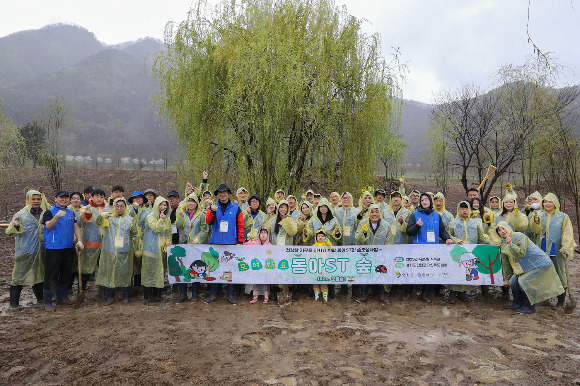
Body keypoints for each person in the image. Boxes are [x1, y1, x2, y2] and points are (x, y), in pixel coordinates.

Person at [496, 221, 564, 314]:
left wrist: (511, 244)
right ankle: (517, 303)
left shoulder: (519, 236)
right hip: (526, 266)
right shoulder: (503, 244)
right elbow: (506, 263)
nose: (502, 231)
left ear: (508, 228)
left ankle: (529, 307)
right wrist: (506, 279)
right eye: (499, 230)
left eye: (503, 228)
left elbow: (520, 253)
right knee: (513, 281)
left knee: (524, 281)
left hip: (540, 263)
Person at [529, 193, 576, 309]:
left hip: (557, 251)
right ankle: (545, 299)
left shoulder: (562, 217)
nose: (547, 204)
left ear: (555, 203)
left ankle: (560, 302)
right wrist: (535, 222)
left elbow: (568, 233)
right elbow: (535, 231)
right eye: (545, 202)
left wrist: (566, 247)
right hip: (542, 250)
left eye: (550, 202)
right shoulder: (539, 216)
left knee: (560, 274)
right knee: (543, 274)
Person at [406, 193, 454, 303]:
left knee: (430, 272)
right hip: (418, 249)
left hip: (433, 249)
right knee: (414, 271)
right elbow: (409, 232)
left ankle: (425, 294)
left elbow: (442, 231)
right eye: (422, 200)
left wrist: (447, 238)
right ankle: (408, 293)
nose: (424, 202)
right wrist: (417, 226)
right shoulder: (414, 215)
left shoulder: (436, 215)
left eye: (426, 199)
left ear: (430, 201)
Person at [42, 190, 84, 311]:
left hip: (67, 247)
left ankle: (62, 297)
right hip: (54, 248)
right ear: (55, 199)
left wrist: (79, 241)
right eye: (61, 198)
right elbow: (48, 225)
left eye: (66, 198)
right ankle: (48, 302)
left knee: (66, 273)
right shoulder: (49, 212)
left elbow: (76, 227)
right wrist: (56, 216)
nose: (64, 199)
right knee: (51, 275)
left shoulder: (70, 212)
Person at [205, 183, 244, 304]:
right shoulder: (213, 207)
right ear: (218, 194)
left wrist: (240, 241)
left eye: (225, 192)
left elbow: (240, 225)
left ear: (228, 193)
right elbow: (208, 221)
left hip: (230, 243)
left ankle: (230, 294)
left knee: (229, 269)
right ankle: (213, 294)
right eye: (220, 192)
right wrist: (211, 211)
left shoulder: (236, 208)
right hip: (216, 243)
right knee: (214, 268)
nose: (223, 194)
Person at [6, 190, 45, 308]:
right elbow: (10, 231)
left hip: (41, 250)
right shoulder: (21, 214)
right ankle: (14, 303)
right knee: (19, 277)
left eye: (38, 199)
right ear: (28, 200)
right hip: (24, 250)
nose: (36, 201)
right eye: (33, 199)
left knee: (39, 275)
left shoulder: (45, 213)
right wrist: (16, 225)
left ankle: (40, 299)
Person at [446, 201, 491, 304]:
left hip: (470, 253)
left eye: (466, 209)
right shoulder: (453, 223)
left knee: (467, 271)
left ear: (469, 210)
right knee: (456, 271)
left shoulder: (474, 223)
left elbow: (481, 237)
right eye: (462, 209)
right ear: (458, 210)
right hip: (457, 252)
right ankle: (452, 293)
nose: (464, 210)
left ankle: (463, 292)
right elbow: (448, 235)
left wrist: (491, 243)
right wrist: (456, 240)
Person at [96, 198, 138, 305]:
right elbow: (99, 223)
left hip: (124, 252)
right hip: (110, 251)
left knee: (124, 274)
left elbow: (135, 233)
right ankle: (110, 297)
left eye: (122, 206)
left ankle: (126, 297)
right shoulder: (109, 217)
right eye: (117, 206)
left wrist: (135, 248)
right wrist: (101, 216)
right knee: (111, 274)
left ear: (125, 207)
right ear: (114, 206)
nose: (119, 208)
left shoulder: (130, 219)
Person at [355, 204, 393, 303]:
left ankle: (383, 295)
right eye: (372, 212)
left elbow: (388, 242)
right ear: (368, 213)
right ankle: (364, 295)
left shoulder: (386, 225)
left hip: (380, 255)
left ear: (380, 213)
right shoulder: (363, 223)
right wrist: (363, 232)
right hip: (365, 255)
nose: (374, 214)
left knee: (380, 273)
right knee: (365, 274)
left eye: (377, 211)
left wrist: (385, 256)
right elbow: (358, 240)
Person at [174, 192, 209, 302]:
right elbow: (178, 226)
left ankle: (194, 293)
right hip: (183, 245)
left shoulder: (201, 215)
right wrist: (179, 216)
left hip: (195, 247)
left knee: (195, 269)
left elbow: (205, 229)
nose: (191, 203)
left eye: (193, 201)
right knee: (183, 268)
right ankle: (183, 293)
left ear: (197, 203)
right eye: (189, 201)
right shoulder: (182, 214)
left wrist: (198, 238)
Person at [495, 193, 529, 298]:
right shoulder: (498, 216)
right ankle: (505, 293)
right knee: (505, 268)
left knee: (517, 267)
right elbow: (494, 230)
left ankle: (518, 295)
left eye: (511, 202)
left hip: (515, 244)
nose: (508, 204)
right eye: (506, 202)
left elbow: (522, 227)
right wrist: (497, 241)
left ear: (515, 203)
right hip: (503, 245)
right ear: (503, 203)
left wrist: (517, 215)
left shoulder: (520, 215)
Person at [142, 196, 172, 305]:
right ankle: (148, 296)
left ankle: (157, 294)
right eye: (161, 204)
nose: (163, 207)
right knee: (149, 272)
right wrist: (161, 219)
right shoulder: (150, 216)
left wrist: (169, 241)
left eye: (165, 205)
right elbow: (156, 228)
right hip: (151, 249)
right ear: (156, 205)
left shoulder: (166, 218)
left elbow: (168, 232)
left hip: (162, 249)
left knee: (160, 272)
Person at [79, 188, 107, 294]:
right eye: (97, 196)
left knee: (103, 268)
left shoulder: (108, 208)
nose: (99, 199)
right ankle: (81, 291)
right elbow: (82, 219)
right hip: (90, 243)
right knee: (86, 270)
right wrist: (86, 214)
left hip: (105, 245)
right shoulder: (86, 208)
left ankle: (102, 292)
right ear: (92, 197)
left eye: (101, 196)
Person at [244, 228, 272, 304]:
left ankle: (266, 298)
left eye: (265, 233)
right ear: (259, 235)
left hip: (265, 268)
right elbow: (247, 245)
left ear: (268, 235)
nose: (263, 235)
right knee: (255, 282)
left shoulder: (270, 245)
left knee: (265, 283)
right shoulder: (255, 243)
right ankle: (255, 297)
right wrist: (246, 241)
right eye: (261, 233)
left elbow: (271, 256)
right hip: (256, 267)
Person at [67, 191, 83, 294]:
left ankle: (80, 288)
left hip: (82, 240)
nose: (75, 200)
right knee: (70, 265)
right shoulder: (66, 210)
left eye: (78, 198)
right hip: (69, 240)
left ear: (81, 200)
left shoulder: (84, 210)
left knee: (80, 265)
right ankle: (68, 287)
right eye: (73, 198)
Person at [312, 229, 332, 302]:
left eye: (322, 236)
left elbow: (331, 247)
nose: (320, 237)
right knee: (315, 282)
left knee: (324, 283)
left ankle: (325, 298)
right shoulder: (314, 246)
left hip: (324, 267)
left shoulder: (326, 245)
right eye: (319, 236)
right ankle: (316, 296)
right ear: (316, 237)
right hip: (316, 267)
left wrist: (327, 242)